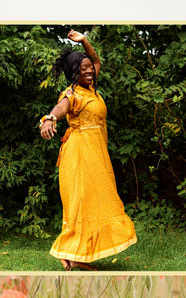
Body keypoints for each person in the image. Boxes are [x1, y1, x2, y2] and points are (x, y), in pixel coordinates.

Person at [39, 30, 137, 271]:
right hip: (80, 154)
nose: (90, 70)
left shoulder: (92, 89)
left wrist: (83, 41)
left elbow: (97, 60)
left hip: (97, 153)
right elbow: (61, 107)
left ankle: (77, 255)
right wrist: (50, 118)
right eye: (83, 68)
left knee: (98, 201)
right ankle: (71, 253)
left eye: (89, 68)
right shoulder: (72, 94)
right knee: (82, 202)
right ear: (75, 72)